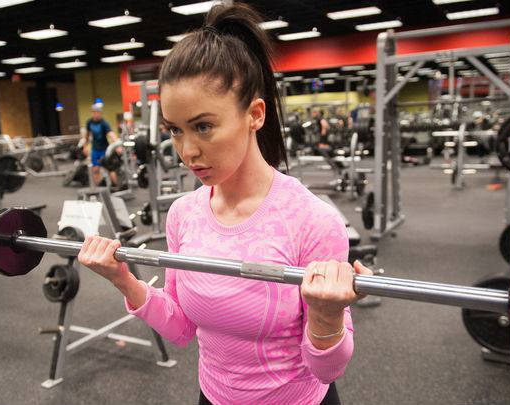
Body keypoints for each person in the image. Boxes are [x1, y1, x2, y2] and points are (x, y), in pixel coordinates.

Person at [78, 4, 372, 405]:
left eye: (203, 127)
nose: (187, 151)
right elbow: (183, 327)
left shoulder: (312, 221)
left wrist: (326, 315)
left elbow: (326, 369)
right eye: (175, 131)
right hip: (212, 397)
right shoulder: (183, 214)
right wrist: (123, 280)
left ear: (254, 114)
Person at [82, 104, 120, 186]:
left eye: (97, 112)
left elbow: (111, 133)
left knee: (110, 169)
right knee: (95, 169)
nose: (95, 114)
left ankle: (116, 186)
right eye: (93, 112)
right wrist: (85, 146)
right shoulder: (89, 122)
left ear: (100, 113)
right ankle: (98, 189)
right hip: (95, 150)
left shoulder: (104, 123)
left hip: (105, 150)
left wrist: (117, 144)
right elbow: (87, 135)